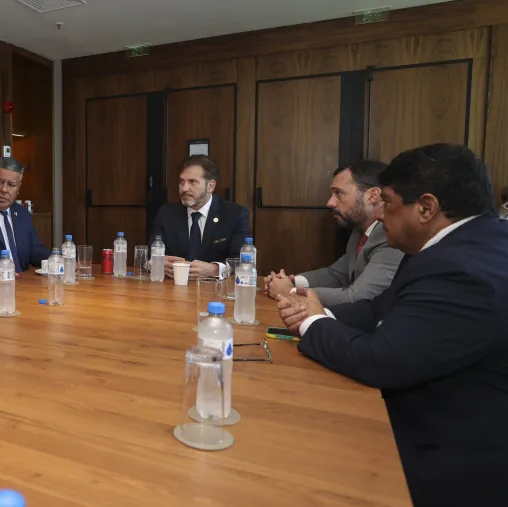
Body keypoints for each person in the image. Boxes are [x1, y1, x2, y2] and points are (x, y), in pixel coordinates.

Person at [275, 143, 508, 506]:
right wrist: (319, 313)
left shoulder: (466, 270)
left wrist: (313, 323)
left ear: (426, 208)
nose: (380, 215)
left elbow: (381, 361)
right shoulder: (453, 246)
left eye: (388, 202)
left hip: (444, 459)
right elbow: (378, 308)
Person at [265, 160, 402, 306]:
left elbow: (358, 297)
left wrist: (290, 292)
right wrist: (292, 281)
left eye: (339, 193)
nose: (330, 202)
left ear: (373, 195)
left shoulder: (390, 236)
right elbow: (337, 275)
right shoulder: (358, 231)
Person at [149, 155, 250, 279]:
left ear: (211, 186)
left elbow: (242, 260)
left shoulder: (235, 214)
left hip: (215, 290)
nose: (184, 188)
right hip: (172, 288)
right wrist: (156, 263)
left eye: (192, 182)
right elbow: (150, 253)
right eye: (181, 182)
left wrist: (215, 269)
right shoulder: (166, 213)